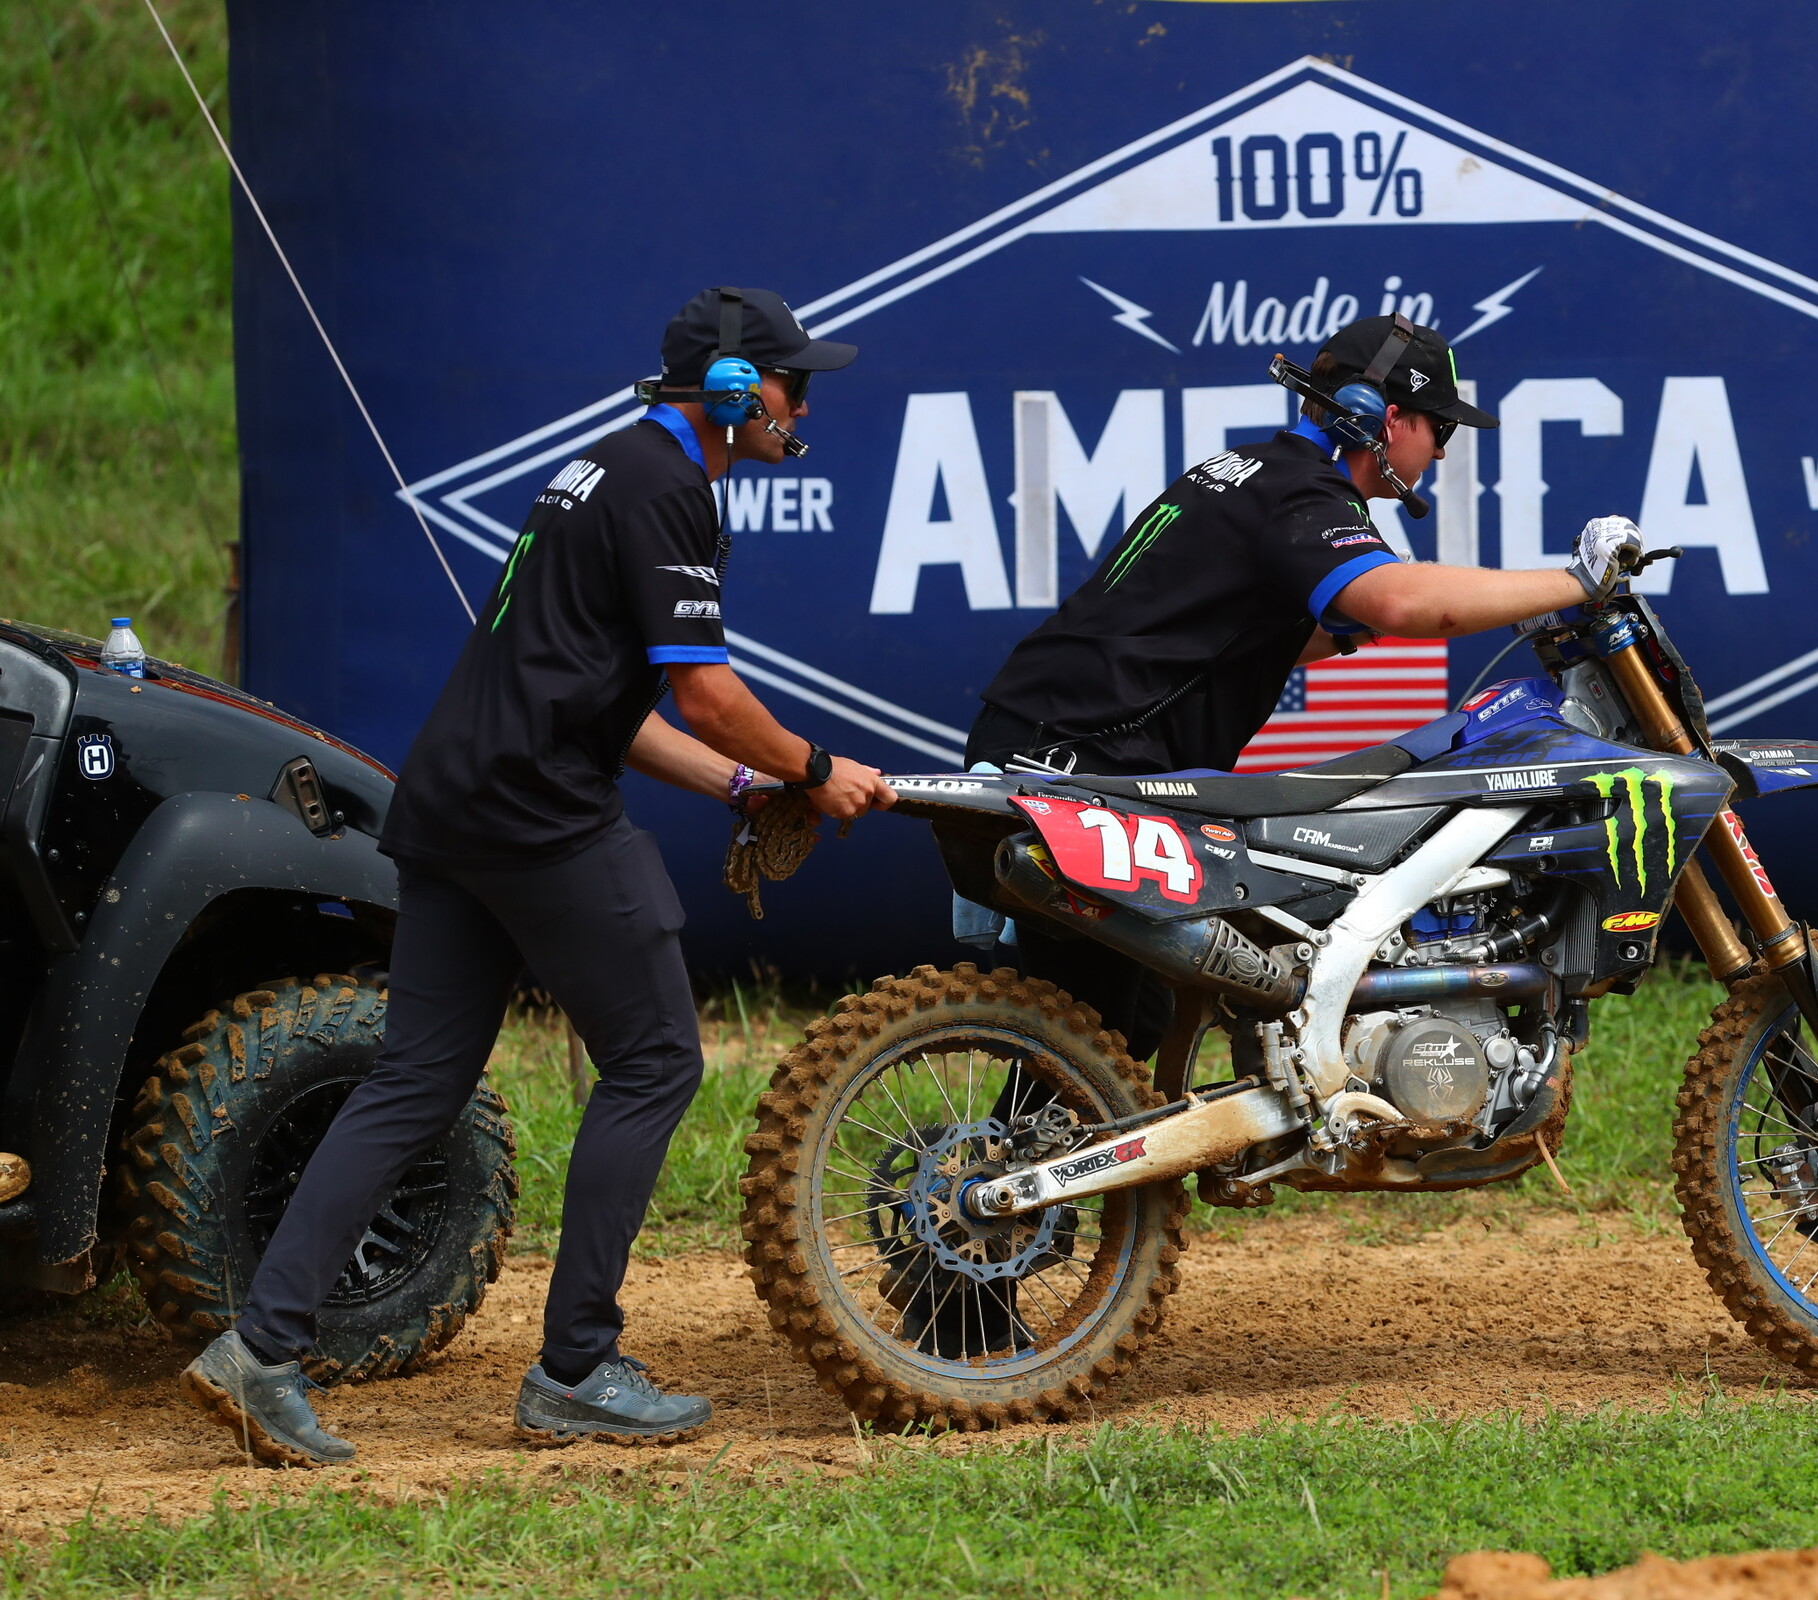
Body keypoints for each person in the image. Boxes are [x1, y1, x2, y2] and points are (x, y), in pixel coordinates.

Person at [181, 286, 896, 1467]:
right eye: (790, 381)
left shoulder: (606, 467)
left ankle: (260, 1352)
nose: (802, 402)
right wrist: (816, 770)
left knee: (415, 1079)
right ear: (728, 388)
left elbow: (616, 710)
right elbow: (705, 693)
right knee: (660, 1057)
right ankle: (574, 1367)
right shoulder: (671, 489)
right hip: (536, 813)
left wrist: (734, 786)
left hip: (456, 799)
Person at [969, 313, 1642, 1060]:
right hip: (1082, 761)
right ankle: (982, 1171)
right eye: (1439, 427)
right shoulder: (1302, 494)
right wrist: (1574, 582)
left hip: (1052, 743)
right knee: (1094, 1040)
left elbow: (1252, 630)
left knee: (1123, 1034)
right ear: (1388, 418)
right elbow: (1399, 602)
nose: (1443, 450)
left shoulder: (1247, 470)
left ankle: (1085, 1166)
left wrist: (1412, 612)